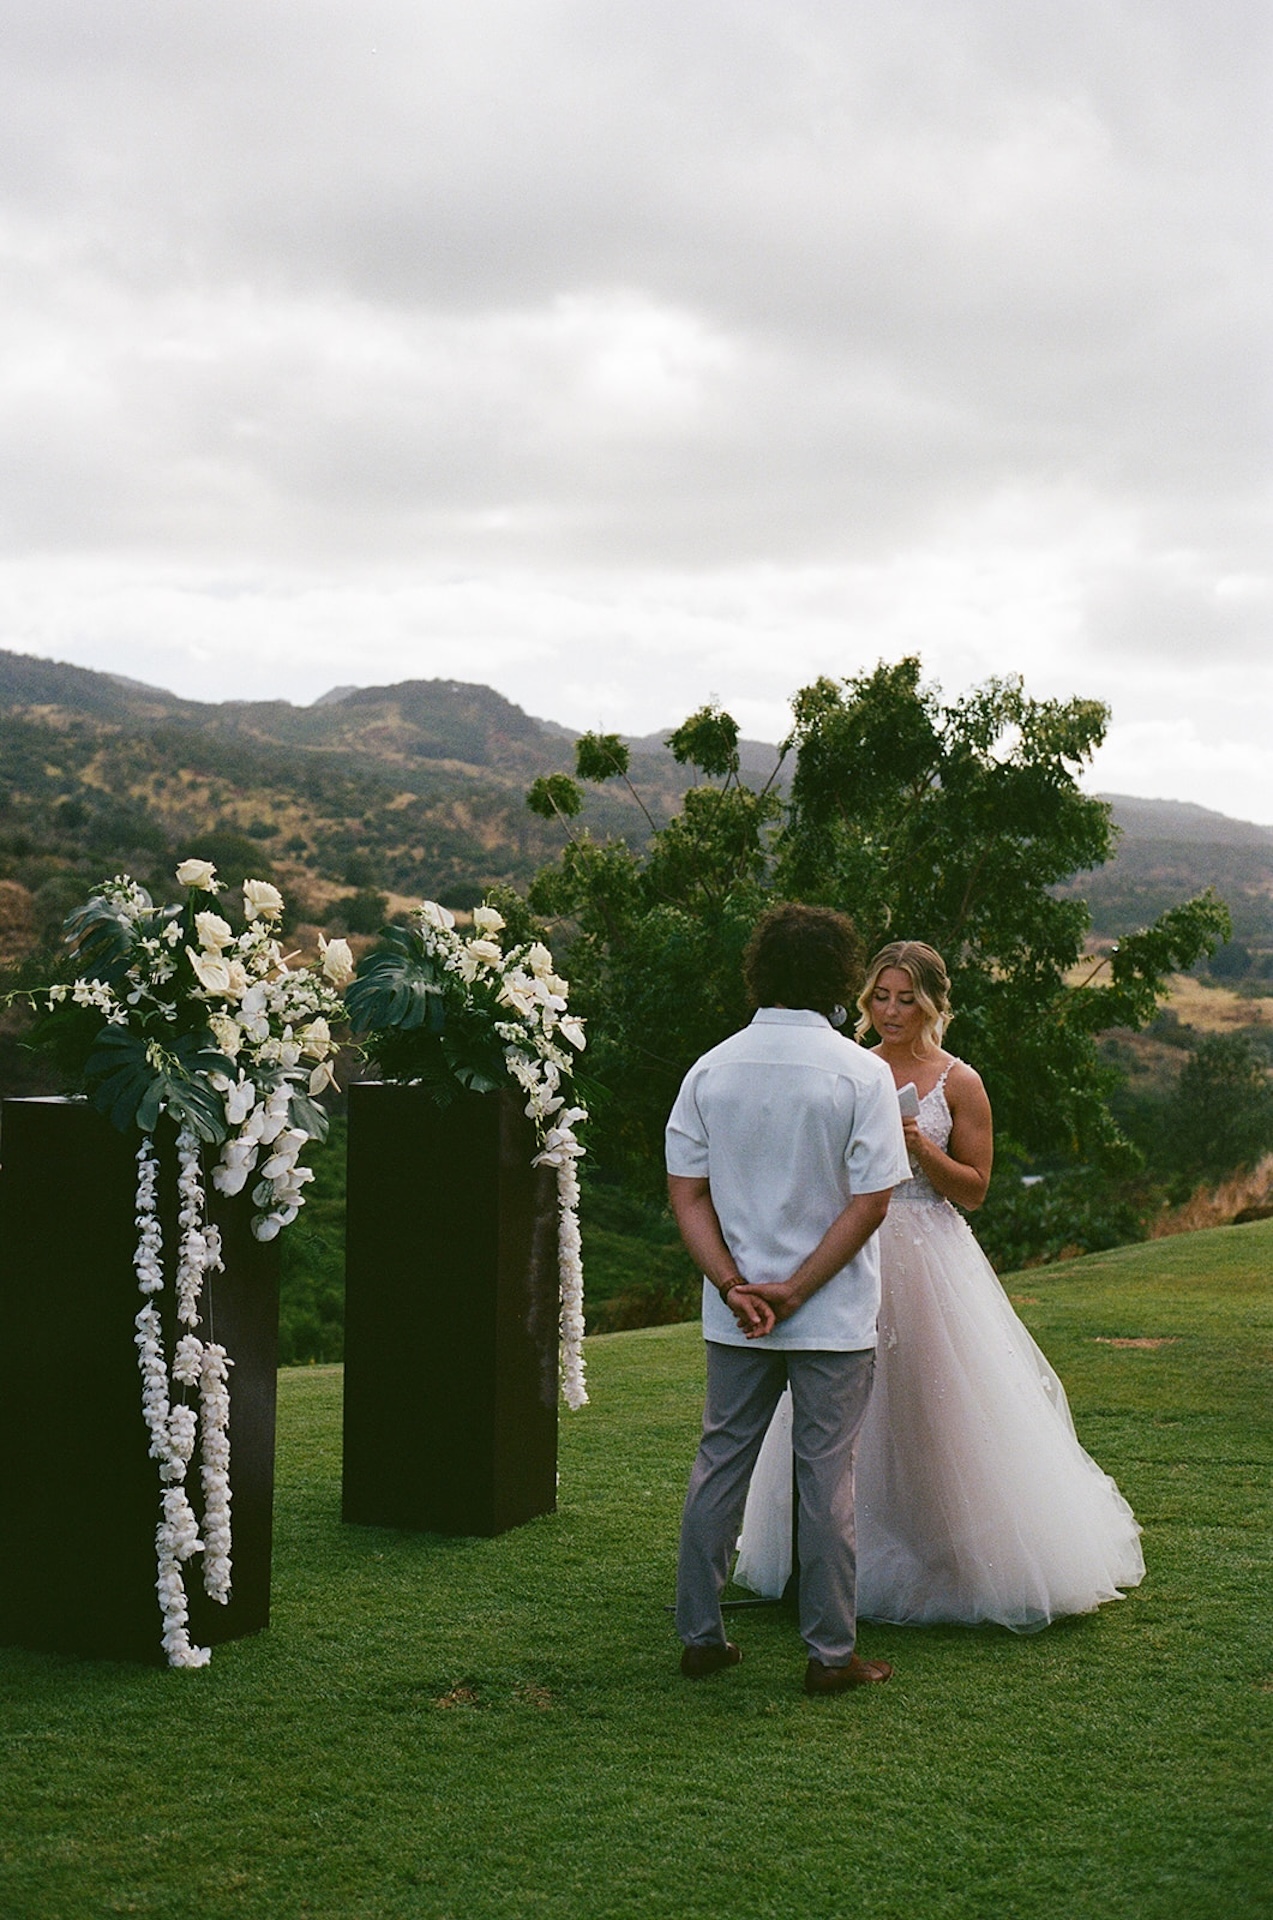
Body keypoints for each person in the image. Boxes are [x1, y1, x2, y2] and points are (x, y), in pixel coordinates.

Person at [735, 939, 1146, 1630]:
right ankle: (833, 1556)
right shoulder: (849, 1068)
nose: (890, 1011)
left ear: (931, 1004)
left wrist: (918, 1144)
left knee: (934, 1406)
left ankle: (949, 1557)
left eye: (905, 999)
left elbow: (975, 1189)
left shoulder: (959, 1081)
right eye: (880, 997)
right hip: (852, 1248)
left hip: (928, 1251)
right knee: (845, 1406)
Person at [667, 903, 911, 1695]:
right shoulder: (861, 1072)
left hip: (735, 1315)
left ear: (758, 969)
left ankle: (700, 1638)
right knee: (826, 1480)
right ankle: (829, 1656)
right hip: (830, 1316)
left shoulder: (710, 1067)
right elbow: (871, 1201)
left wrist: (735, 1286)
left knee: (718, 1468)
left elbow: (687, 1196)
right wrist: (798, 1290)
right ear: (842, 977)